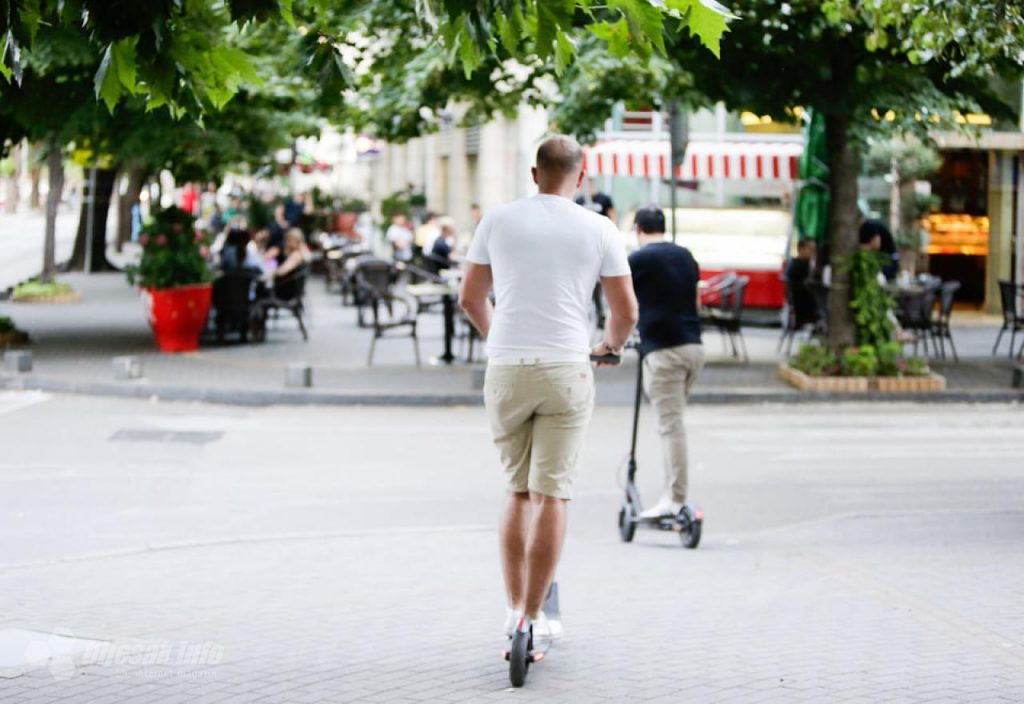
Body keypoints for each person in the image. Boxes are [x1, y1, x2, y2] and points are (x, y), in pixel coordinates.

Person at [459, 134, 638, 644]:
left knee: (517, 491)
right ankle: (535, 618)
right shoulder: (599, 227)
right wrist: (610, 346)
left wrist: (502, 340)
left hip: (507, 368)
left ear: (534, 174)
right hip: (567, 365)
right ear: (580, 178)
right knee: (551, 495)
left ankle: (513, 610)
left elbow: (471, 299)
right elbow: (625, 312)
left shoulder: (497, 219)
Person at [627, 206, 705, 518]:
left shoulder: (638, 259)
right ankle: (672, 494)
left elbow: (622, 302)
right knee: (670, 420)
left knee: (670, 426)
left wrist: (616, 340)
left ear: (638, 229)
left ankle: (675, 499)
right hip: (693, 348)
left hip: (664, 351)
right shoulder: (686, 256)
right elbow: (694, 299)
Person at [784, 238, 819, 327]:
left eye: (814, 249)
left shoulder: (803, 263)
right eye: (810, 249)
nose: (813, 252)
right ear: (801, 249)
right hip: (802, 309)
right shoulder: (797, 266)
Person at [859, 213, 899, 280]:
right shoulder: (864, 228)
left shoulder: (869, 225)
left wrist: (861, 248)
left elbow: (876, 245)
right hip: (885, 258)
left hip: (888, 258)